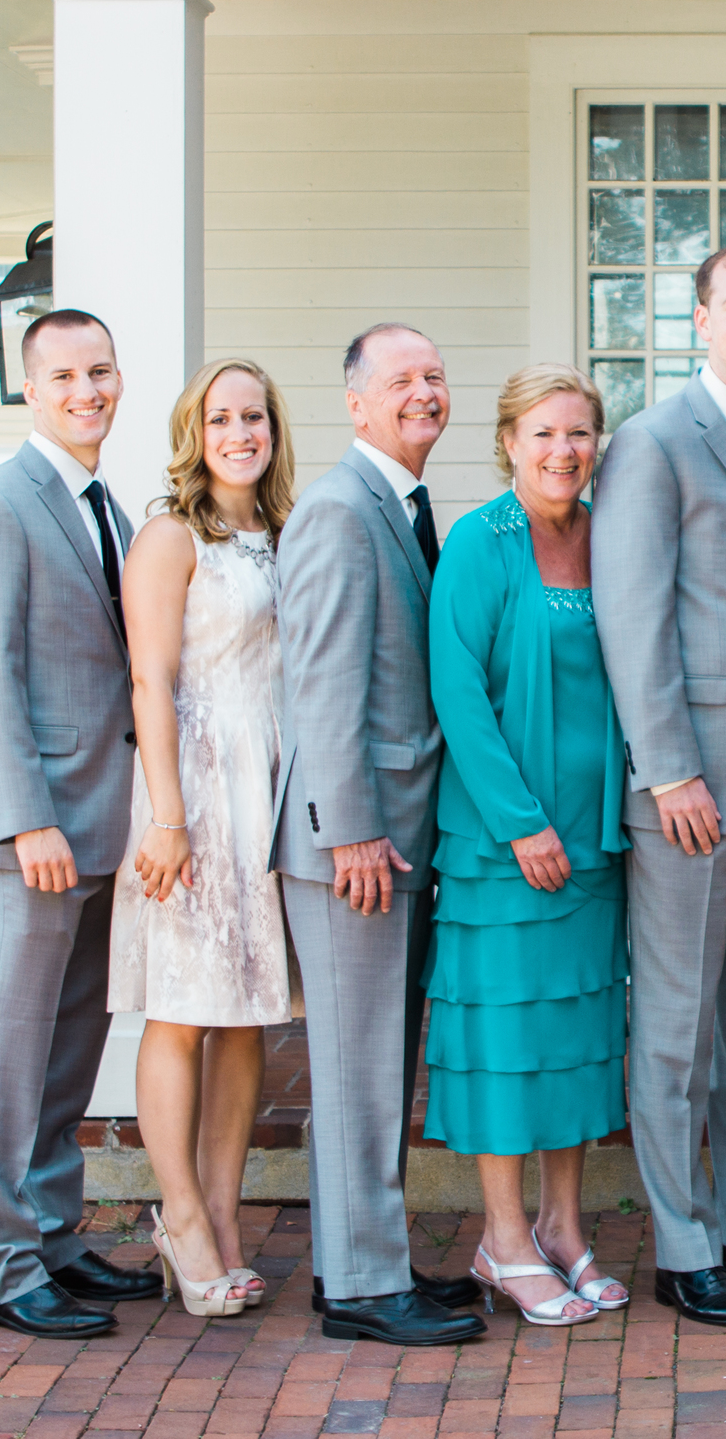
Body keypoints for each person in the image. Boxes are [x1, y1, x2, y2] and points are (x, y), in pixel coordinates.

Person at [591, 242, 726, 1328]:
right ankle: (680, 1243)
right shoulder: (650, 442)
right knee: (676, 1021)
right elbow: (634, 614)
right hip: (691, 783)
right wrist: (667, 764)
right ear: (700, 320)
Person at [0, 307, 163, 1339]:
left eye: (102, 371)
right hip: (31, 826)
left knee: (71, 1044)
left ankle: (53, 1234)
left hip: (99, 825)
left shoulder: (104, 504)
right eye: (66, 374)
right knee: (10, 1045)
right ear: (29, 387)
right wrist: (26, 818)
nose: (88, 390)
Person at [269, 323, 485, 1348]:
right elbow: (319, 685)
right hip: (354, 844)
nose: (423, 392)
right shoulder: (335, 510)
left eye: (434, 377)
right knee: (357, 1065)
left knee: (378, 1061)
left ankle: (364, 1263)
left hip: (396, 839)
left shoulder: (400, 504)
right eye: (400, 379)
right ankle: (360, 1286)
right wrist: (349, 829)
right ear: (354, 404)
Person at [425, 364, 631, 1328]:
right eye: (544, 434)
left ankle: (561, 1227)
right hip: (504, 846)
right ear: (509, 440)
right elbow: (458, 696)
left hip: (596, 838)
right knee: (506, 1043)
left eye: (580, 434)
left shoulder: (610, 536)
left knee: (575, 1040)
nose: (563, 452)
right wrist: (519, 823)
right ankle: (502, 1242)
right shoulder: (479, 543)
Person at [113, 358, 298, 1319]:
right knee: (181, 1012)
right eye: (221, 418)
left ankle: (224, 1217)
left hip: (269, 789)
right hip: (192, 792)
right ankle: (178, 1215)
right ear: (196, 432)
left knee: (244, 1016)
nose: (240, 432)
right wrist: (169, 817)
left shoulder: (283, 532)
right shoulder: (168, 536)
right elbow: (151, 682)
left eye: (254, 416)